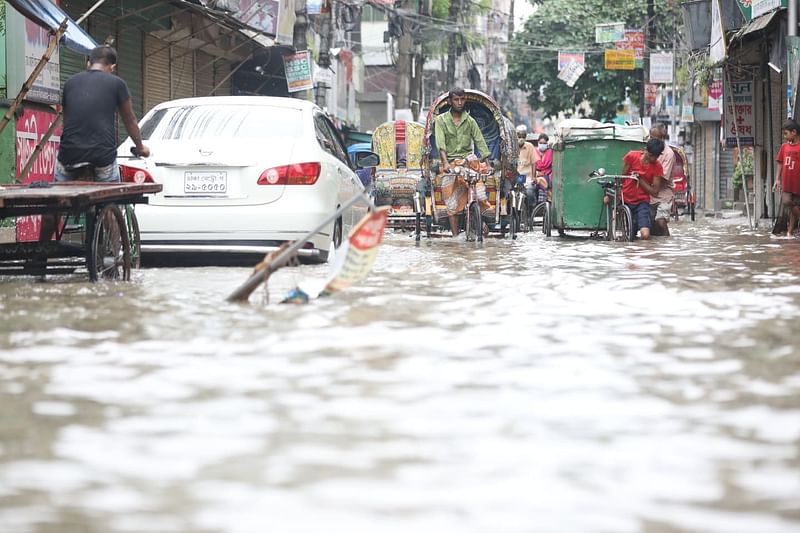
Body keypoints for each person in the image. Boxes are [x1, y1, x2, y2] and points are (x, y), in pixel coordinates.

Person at [40, 45, 150, 241]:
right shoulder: (117, 84)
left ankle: (39, 259)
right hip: (102, 157)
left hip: (70, 155)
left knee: (54, 207)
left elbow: (68, 118)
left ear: (88, 63)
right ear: (112, 67)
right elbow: (130, 120)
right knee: (109, 206)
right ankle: (116, 254)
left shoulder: (71, 83)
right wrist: (141, 148)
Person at [434, 87, 491, 236]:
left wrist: (488, 163)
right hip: (450, 163)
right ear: (450, 101)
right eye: (456, 99)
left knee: (479, 187)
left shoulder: (470, 121)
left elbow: (480, 141)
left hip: (468, 161)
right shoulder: (441, 120)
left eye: (462, 99)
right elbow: (441, 144)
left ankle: (480, 215)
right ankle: (454, 236)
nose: (459, 102)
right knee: (450, 199)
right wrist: (445, 163)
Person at [620, 138, 664, 240]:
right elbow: (623, 177)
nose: (652, 159)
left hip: (642, 202)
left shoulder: (657, 167)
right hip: (626, 199)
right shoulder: (632, 156)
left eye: (655, 157)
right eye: (651, 155)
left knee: (645, 235)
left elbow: (655, 192)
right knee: (629, 234)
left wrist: (640, 179)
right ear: (645, 150)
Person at [772, 120, 800, 237]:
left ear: (794, 132)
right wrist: (777, 180)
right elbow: (780, 163)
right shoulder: (784, 147)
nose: (785, 136)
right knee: (787, 202)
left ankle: (790, 232)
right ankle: (790, 231)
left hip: (797, 183)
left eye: (786, 133)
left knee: (794, 207)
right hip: (786, 182)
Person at [648, 124, 676, 237]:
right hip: (649, 194)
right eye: (651, 137)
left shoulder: (668, 154)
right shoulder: (648, 151)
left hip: (663, 194)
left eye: (656, 138)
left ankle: (667, 244)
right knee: (651, 226)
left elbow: (662, 179)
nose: (652, 141)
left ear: (662, 138)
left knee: (660, 221)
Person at [516, 124, 540, 212]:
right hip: (516, 178)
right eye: (519, 136)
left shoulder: (529, 146)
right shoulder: (512, 147)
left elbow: (534, 163)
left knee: (529, 193)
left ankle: (531, 212)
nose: (521, 138)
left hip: (527, 178)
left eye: (523, 136)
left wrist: (533, 177)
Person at [533, 133, 553, 204]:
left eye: (544, 143)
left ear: (547, 143)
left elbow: (544, 165)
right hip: (535, 175)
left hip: (547, 175)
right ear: (538, 143)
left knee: (542, 182)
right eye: (540, 143)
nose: (542, 144)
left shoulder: (550, 152)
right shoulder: (534, 151)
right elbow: (534, 164)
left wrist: (540, 172)